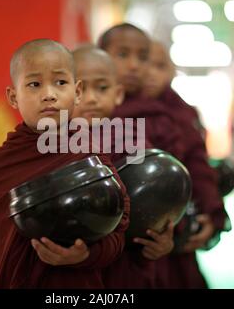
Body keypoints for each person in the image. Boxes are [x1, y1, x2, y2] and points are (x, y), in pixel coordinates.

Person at [0, 39, 130, 288]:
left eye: (60, 82)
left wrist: (86, 255)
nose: (49, 95)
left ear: (76, 92)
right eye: (34, 84)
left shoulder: (88, 154)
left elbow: (118, 229)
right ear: (13, 97)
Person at [71, 45, 174, 288]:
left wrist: (164, 238)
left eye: (102, 88)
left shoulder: (131, 137)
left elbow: (153, 196)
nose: (91, 98)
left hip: (124, 266)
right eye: (79, 88)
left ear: (118, 94)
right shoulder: (51, 140)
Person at [142, 40, 231, 288]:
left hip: (176, 228)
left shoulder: (183, 112)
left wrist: (212, 213)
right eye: (142, 63)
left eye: (159, 66)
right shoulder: (113, 110)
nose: (149, 73)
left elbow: (198, 166)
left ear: (172, 72)